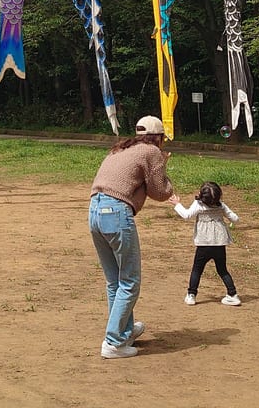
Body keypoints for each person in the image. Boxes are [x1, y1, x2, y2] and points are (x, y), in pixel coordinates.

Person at [88, 114, 178, 359]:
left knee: (115, 281)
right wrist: (163, 166)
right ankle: (113, 342)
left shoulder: (121, 148)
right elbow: (160, 192)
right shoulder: (151, 152)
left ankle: (124, 330)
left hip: (94, 210)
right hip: (116, 213)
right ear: (158, 137)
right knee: (129, 281)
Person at [174, 180, 241, 306]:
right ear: (218, 195)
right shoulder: (221, 206)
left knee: (197, 270)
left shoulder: (198, 205)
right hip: (219, 244)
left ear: (202, 195)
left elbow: (186, 215)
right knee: (222, 270)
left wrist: (177, 204)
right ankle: (232, 295)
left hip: (204, 244)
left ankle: (191, 295)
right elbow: (235, 218)